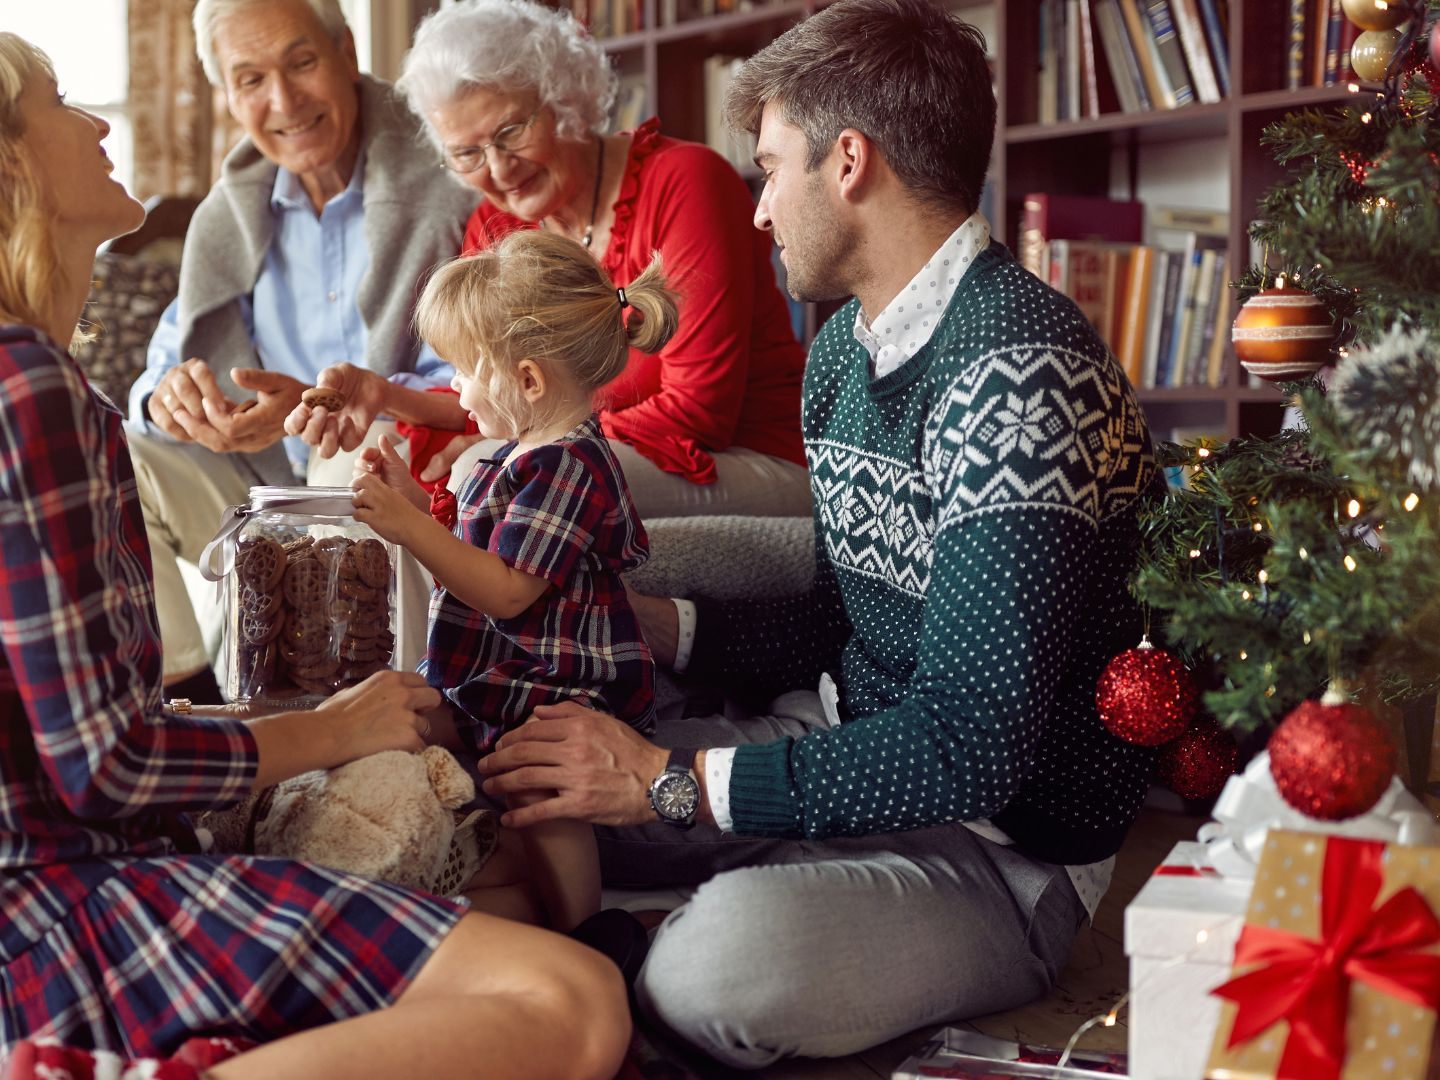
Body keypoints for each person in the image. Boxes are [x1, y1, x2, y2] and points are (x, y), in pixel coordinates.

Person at [475, 0, 1166, 1068]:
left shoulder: (1018, 372)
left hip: (1001, 852)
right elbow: (845, 616)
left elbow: (971, 748)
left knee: (714, 969)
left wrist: (665, 781)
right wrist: (659, 624)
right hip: (837, 738)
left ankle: (679, 936)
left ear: (849, 162)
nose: (758, 211)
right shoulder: (843, 351)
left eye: (768, 169)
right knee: (535, 800)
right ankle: (682, 919)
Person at [0, 32, 627, 1080]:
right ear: (11, 165)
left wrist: (281, 726)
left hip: (59, 866)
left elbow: (74, 739)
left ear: (344, 55)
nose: (99, 122)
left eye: (299, 62)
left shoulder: (35, 377)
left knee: (500, 928)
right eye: (61, 102)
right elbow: (106, 765)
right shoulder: (31, 385)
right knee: (576, 1001)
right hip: (55, 908)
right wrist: (330, 729)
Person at [287, 0, 810, 520]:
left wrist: (510, 449)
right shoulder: (496, 226)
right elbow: (498, 391)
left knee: (485, 475)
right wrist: (384, 395)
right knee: (359, 461)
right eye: (467, 153)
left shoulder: (685, 182)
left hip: (742, 458)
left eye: (510, 132)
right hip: (592, 444)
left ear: (564, 98)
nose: (498, 169)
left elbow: (697, 413)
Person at [125, 0, 479, 702]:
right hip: (261, 489)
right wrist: (168, 401)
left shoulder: (448, 179)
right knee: (122, 457)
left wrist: (333, 405)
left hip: (390, 469)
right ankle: (198, 704)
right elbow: (161, 369)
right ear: (228, 97)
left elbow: (477, 374)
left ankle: (384, 710)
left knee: (353, 451)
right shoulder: (230, 213)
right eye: (250, 80)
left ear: (347, 53)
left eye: (302, 62)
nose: (284, 101)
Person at [350, 232, 676, 933]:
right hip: (496, 672)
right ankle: (478, 878)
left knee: (540, 786)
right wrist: (416, 506)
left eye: (464, 370)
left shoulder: (567, 465)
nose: (456, 388)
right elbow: (476, 552)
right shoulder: (516, 454)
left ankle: (588, 931)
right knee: (403, 718)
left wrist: (409, 530)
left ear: (527, 380)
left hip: (553, 684)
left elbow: (505, 591)